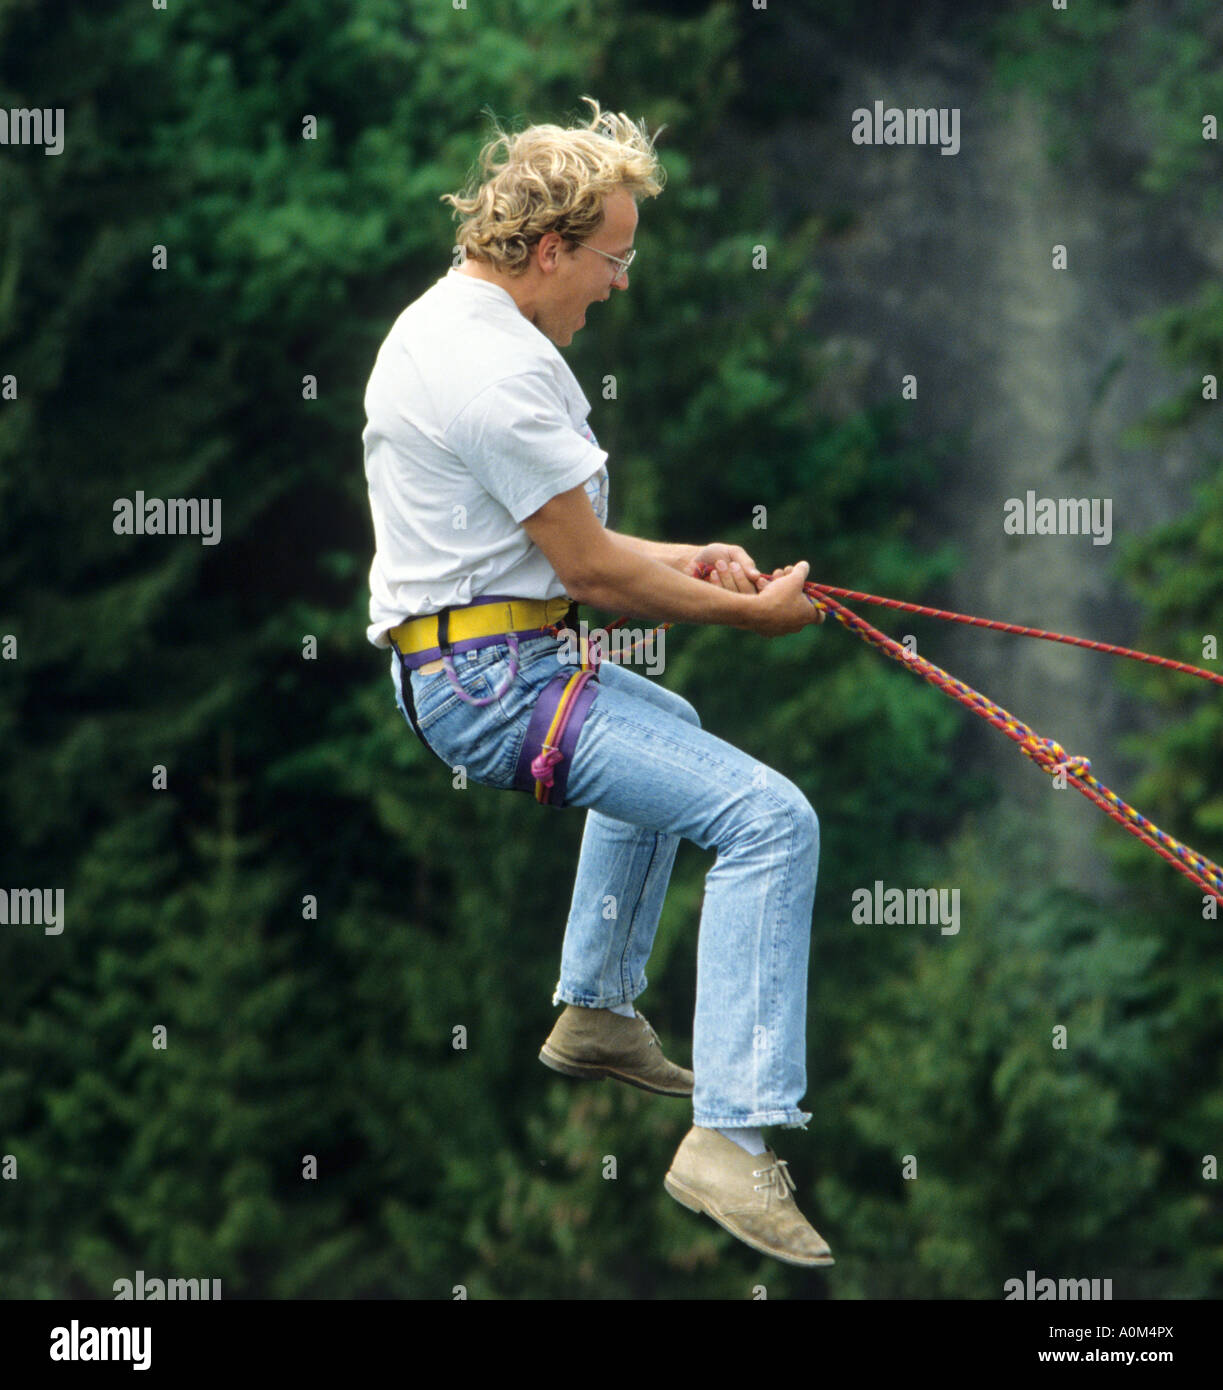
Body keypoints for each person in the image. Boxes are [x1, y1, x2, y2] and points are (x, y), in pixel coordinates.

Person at [362, 96, 832, 1267]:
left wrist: (689, 558)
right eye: (613, 259)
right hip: (491, 682)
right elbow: (587, 572)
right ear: (549, 248)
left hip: (486, 657)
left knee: (661, 729)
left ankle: (596, 1007)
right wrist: (746, 613)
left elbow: (551, 548)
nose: (619, 285)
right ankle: (729, 1138)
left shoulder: (456, 324)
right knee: (770, 818)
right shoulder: (495, 373)